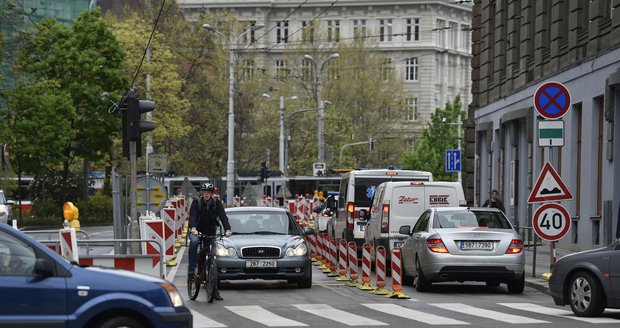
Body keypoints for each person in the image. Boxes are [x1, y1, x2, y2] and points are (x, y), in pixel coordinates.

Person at [188, 182, 232, 301]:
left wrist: (228, 229)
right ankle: (192, 269)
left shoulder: (217, 204)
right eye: (204, 192)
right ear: (202, 193)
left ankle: (214, 290)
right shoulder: (196, 203)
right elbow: (192, 216)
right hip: (197, 231)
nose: (206, 194)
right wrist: (193, 228)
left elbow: (223, 217)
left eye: (209, 193)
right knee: (194, 243)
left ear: (212, 194)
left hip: (211, 233)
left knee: (213, 257)